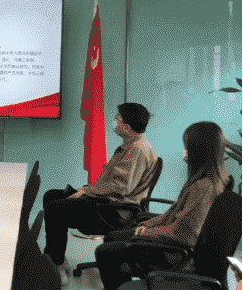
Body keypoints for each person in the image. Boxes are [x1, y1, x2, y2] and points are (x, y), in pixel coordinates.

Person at [95, 121, 230, 290]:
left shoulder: (204, 188)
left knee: (105, 252)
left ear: (199, 150)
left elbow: (183, 234)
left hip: (175, 252)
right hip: (174, 245)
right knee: (113, 240)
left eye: (186, 146)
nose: (184, 150)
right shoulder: (205, 181)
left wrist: (146, 232)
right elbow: (171, 215)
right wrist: (147, 225)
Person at [42, 102, 158, 285]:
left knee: (55, 208)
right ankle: (58, 259)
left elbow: (120, 187)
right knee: (51, 196)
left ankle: (55, 266)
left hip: (114, 210)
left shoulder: (137, 150)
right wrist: (85, 190)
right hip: (106, 201)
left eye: (118, 118)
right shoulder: (132, 146)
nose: (114, 121)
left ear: (127, 128)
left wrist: (86, 191)